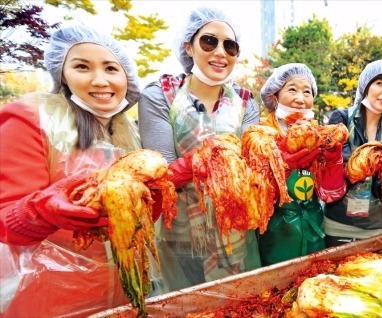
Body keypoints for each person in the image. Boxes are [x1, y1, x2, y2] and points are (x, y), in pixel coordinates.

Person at [0, 25, 144, 317]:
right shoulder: (30, 119)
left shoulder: (125, 130)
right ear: (61, 73)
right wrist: (42, 210)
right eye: (82, 66)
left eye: (111, 69)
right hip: (47, 293)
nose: (100, 80)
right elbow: (5, 216)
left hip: (119, 290)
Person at [138, 7, 261, 294]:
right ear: (188, 47)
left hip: (235, 228)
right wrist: (213, 158)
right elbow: (162, 172)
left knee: (241, 305)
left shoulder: (245, 102)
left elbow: (251, 166)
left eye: (230, 46)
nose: (220, 52)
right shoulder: (160, 95)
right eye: (209, 41)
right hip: (182, 232)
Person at [257, 63, 347, 265]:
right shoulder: (260, 135)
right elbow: (255, 192)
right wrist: (282, 165)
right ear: (274, 96)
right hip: (275, 232)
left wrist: (333, 160)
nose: (300, 98)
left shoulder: (321, 136)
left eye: (307, 92)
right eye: (292, 89)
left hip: (312, 226)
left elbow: (330, 193)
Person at [324, 60, 382, 247]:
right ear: (366, 86)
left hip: (375, 228)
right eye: (380, 83)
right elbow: (333, 173)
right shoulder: (342, 120)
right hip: (337, 225)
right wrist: (365, 164)